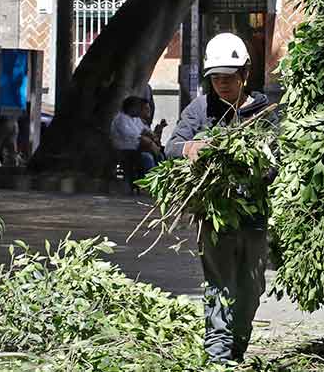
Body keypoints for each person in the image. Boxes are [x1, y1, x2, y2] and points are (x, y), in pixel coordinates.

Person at [166, 32, 277, 364]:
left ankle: (237, 350)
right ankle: (219, 358)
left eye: (228, 77)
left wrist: (259, 166)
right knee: (219, 286)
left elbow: (279, 162)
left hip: (255, 218)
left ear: (245, 74)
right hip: (215, 217)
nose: (222, 84)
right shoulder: (200, 109)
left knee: (251, 289)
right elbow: (171, 147)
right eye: (215, 78)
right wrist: (191, 148)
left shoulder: (266, 111)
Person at [110, 96, 163, 183]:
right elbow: (132, 135)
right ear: (131, 107)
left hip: (137, 149)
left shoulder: (136, 119)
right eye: (138, 107)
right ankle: (150, 182)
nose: (139, 110)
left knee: (160, 154)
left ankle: (160, 179)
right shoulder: (121, 119)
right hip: (124, 151)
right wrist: (150, 142)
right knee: (147, 158)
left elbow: (145, 130)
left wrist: (155, 134)